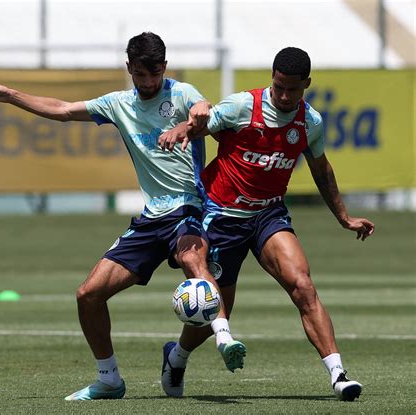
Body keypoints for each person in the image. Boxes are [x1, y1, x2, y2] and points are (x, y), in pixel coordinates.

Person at [0, 32, 246, 400]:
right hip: (151, 218)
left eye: (154, 74)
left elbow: (203, 110)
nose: (148, 82)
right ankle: (109, 379)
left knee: (192, 259)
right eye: (140, 74)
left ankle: (225, 339)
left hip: (189, 206)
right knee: (88, 295)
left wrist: (196, 114)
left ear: (164, 68)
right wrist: (10, 96)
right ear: (128, 68)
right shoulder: (118, 104)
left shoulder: (181, 93)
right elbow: (63, 110)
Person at [158, 47, 375, 401]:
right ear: (271, 78)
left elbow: (322, 169)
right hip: (221, 216)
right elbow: (203, 123)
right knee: (213, 306)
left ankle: (339, 375)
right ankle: (177, 356)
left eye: (294, 89)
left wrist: (344, 217)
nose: (285, 96)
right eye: (279, 87)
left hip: (268, 215)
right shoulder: (242, 106)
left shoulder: (311, 122)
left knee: (303, 286)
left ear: (307, 84)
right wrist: (183, 127)